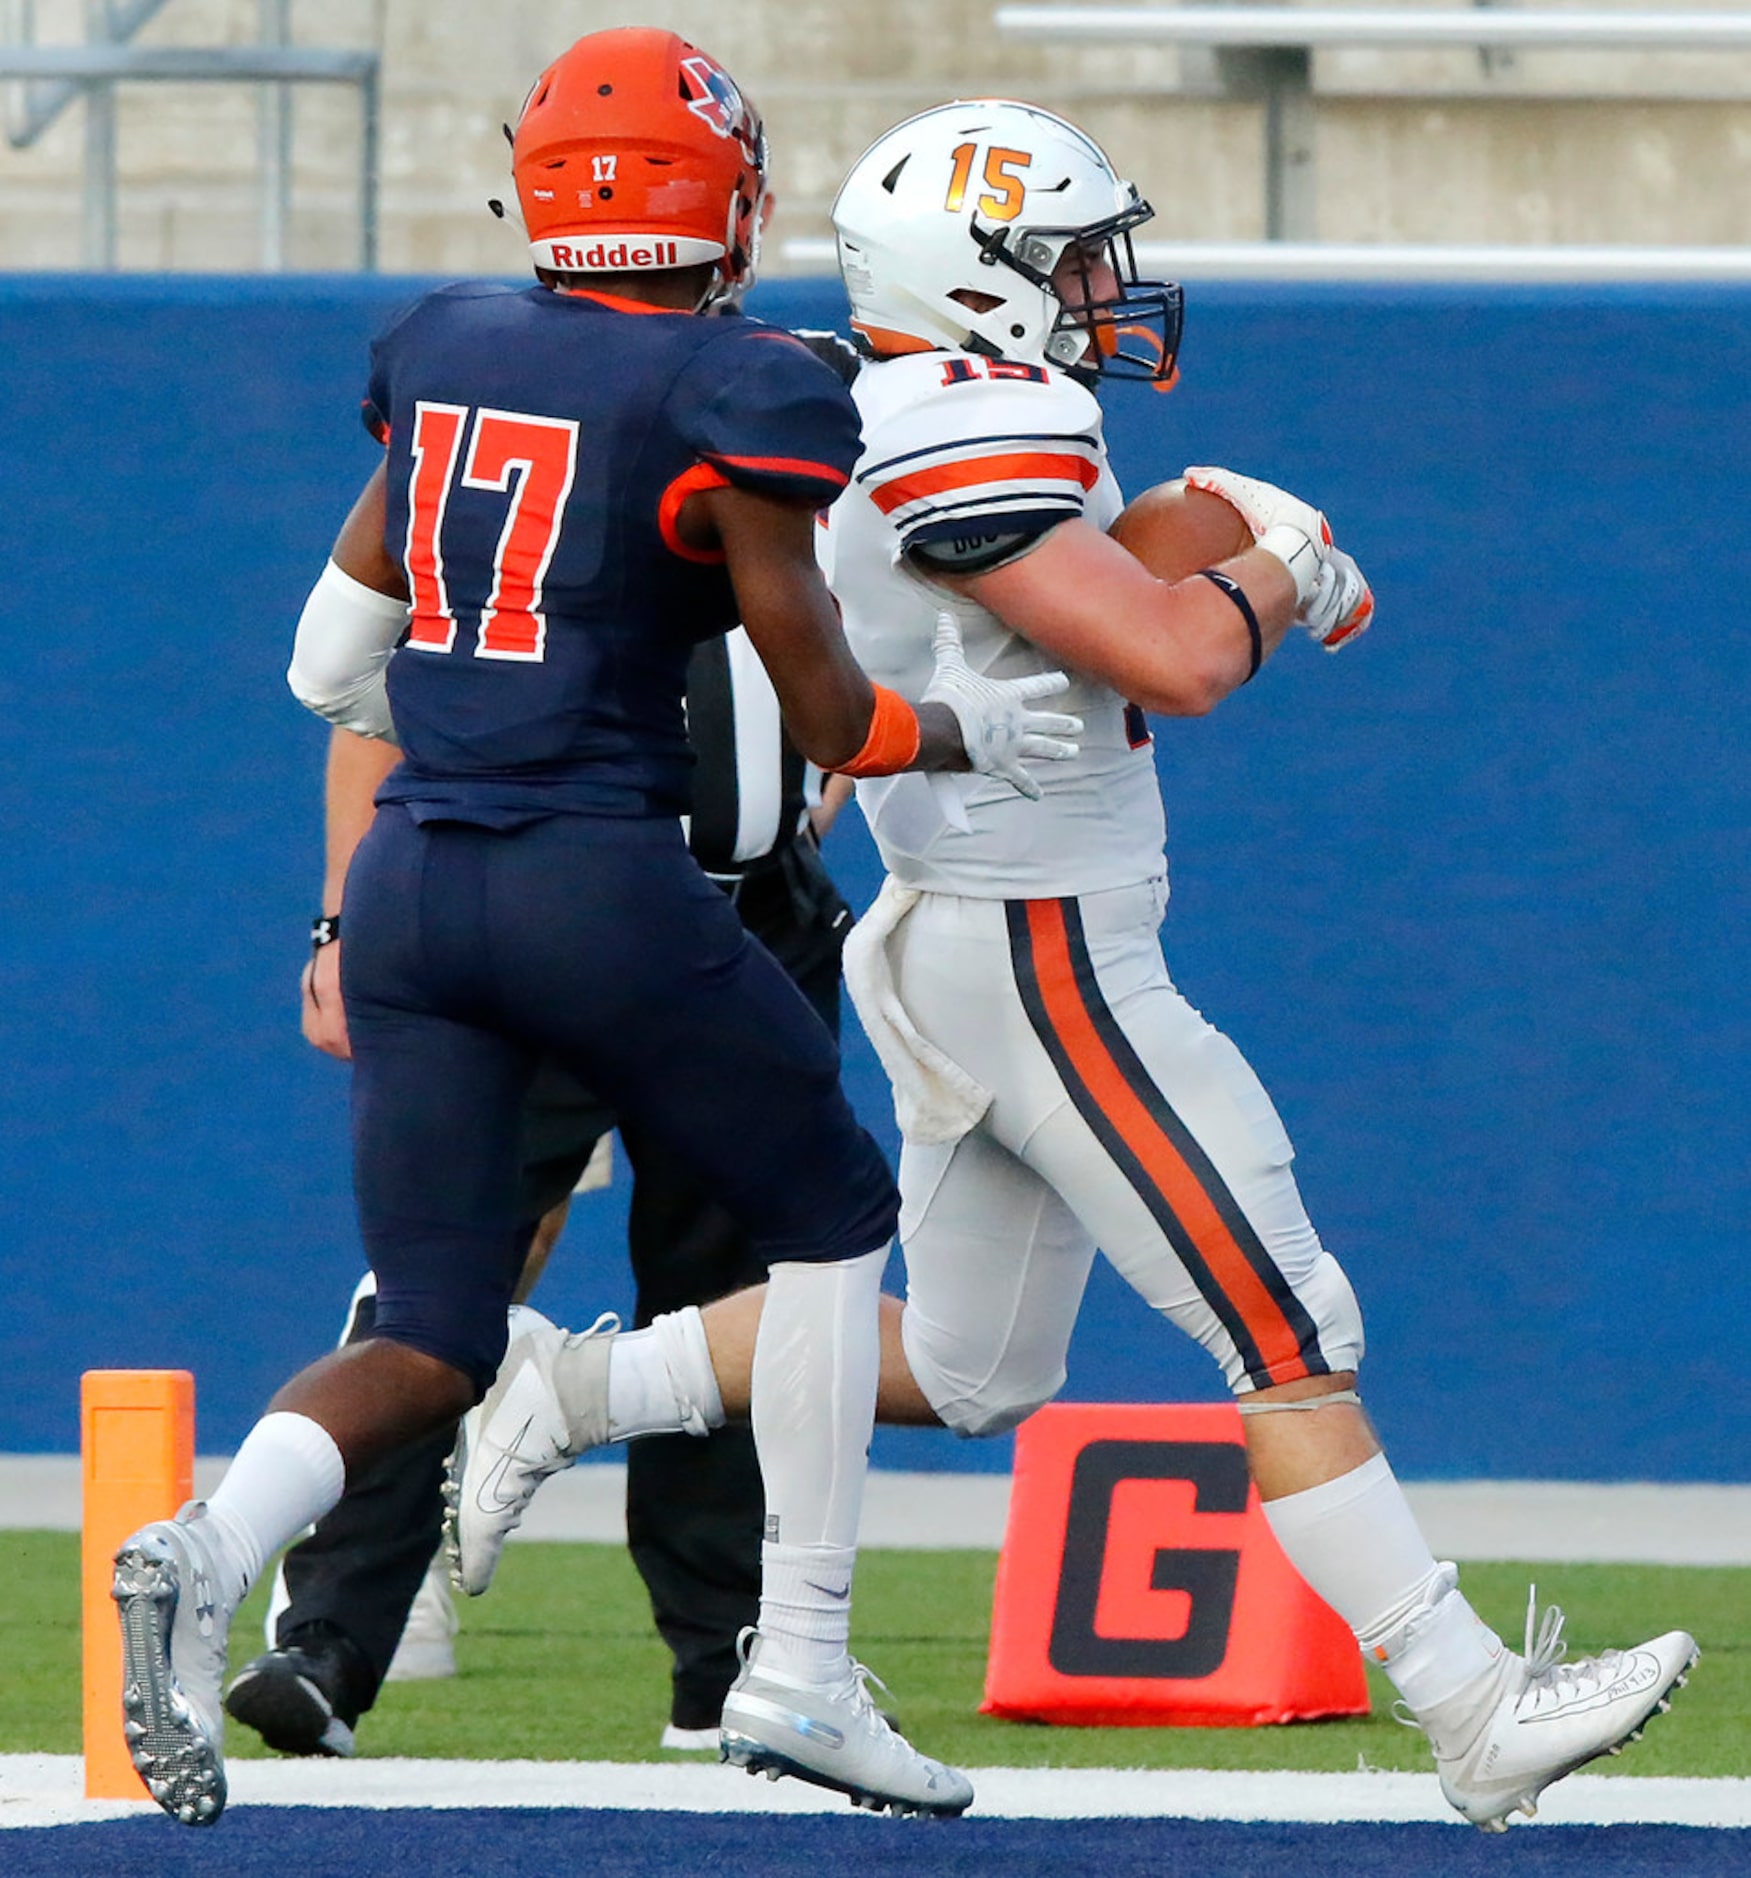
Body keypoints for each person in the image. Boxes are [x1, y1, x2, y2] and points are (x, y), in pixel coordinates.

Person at [449, 98, 1699, 1836]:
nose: (1108, 286)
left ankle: (571, 1383)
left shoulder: (885, 403)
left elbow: (1074, 579)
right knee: (1284, 1319)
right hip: (1049, 958)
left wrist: (1211, 525)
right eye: (1070, 258)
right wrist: (1284, 564)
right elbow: (1175, 657)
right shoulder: (977, 419)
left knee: (972, 1370)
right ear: (980, 284)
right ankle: (1471, 1701)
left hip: (976, 936)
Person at [111, 33, 1085, 1829]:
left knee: (432, 1323)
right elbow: (840, 708)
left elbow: (331, 665)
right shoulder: (739, 389)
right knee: (835, 1217)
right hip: (603, 881)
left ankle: (205, 1537)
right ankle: (798, 1661)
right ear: (728, 197)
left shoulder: (446, 347)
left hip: (414, 886)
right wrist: (973, 727)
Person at [225, 628, 859, 1760]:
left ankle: (728, 1658)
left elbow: (862, 646)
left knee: (739, 1285)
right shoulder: (561, 475)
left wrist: (799, 801)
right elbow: (364, 692)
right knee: (446, 1280)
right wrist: (337, 918)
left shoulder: (823, 486)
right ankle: (331, 1627)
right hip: (562, 897)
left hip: (747, 915)